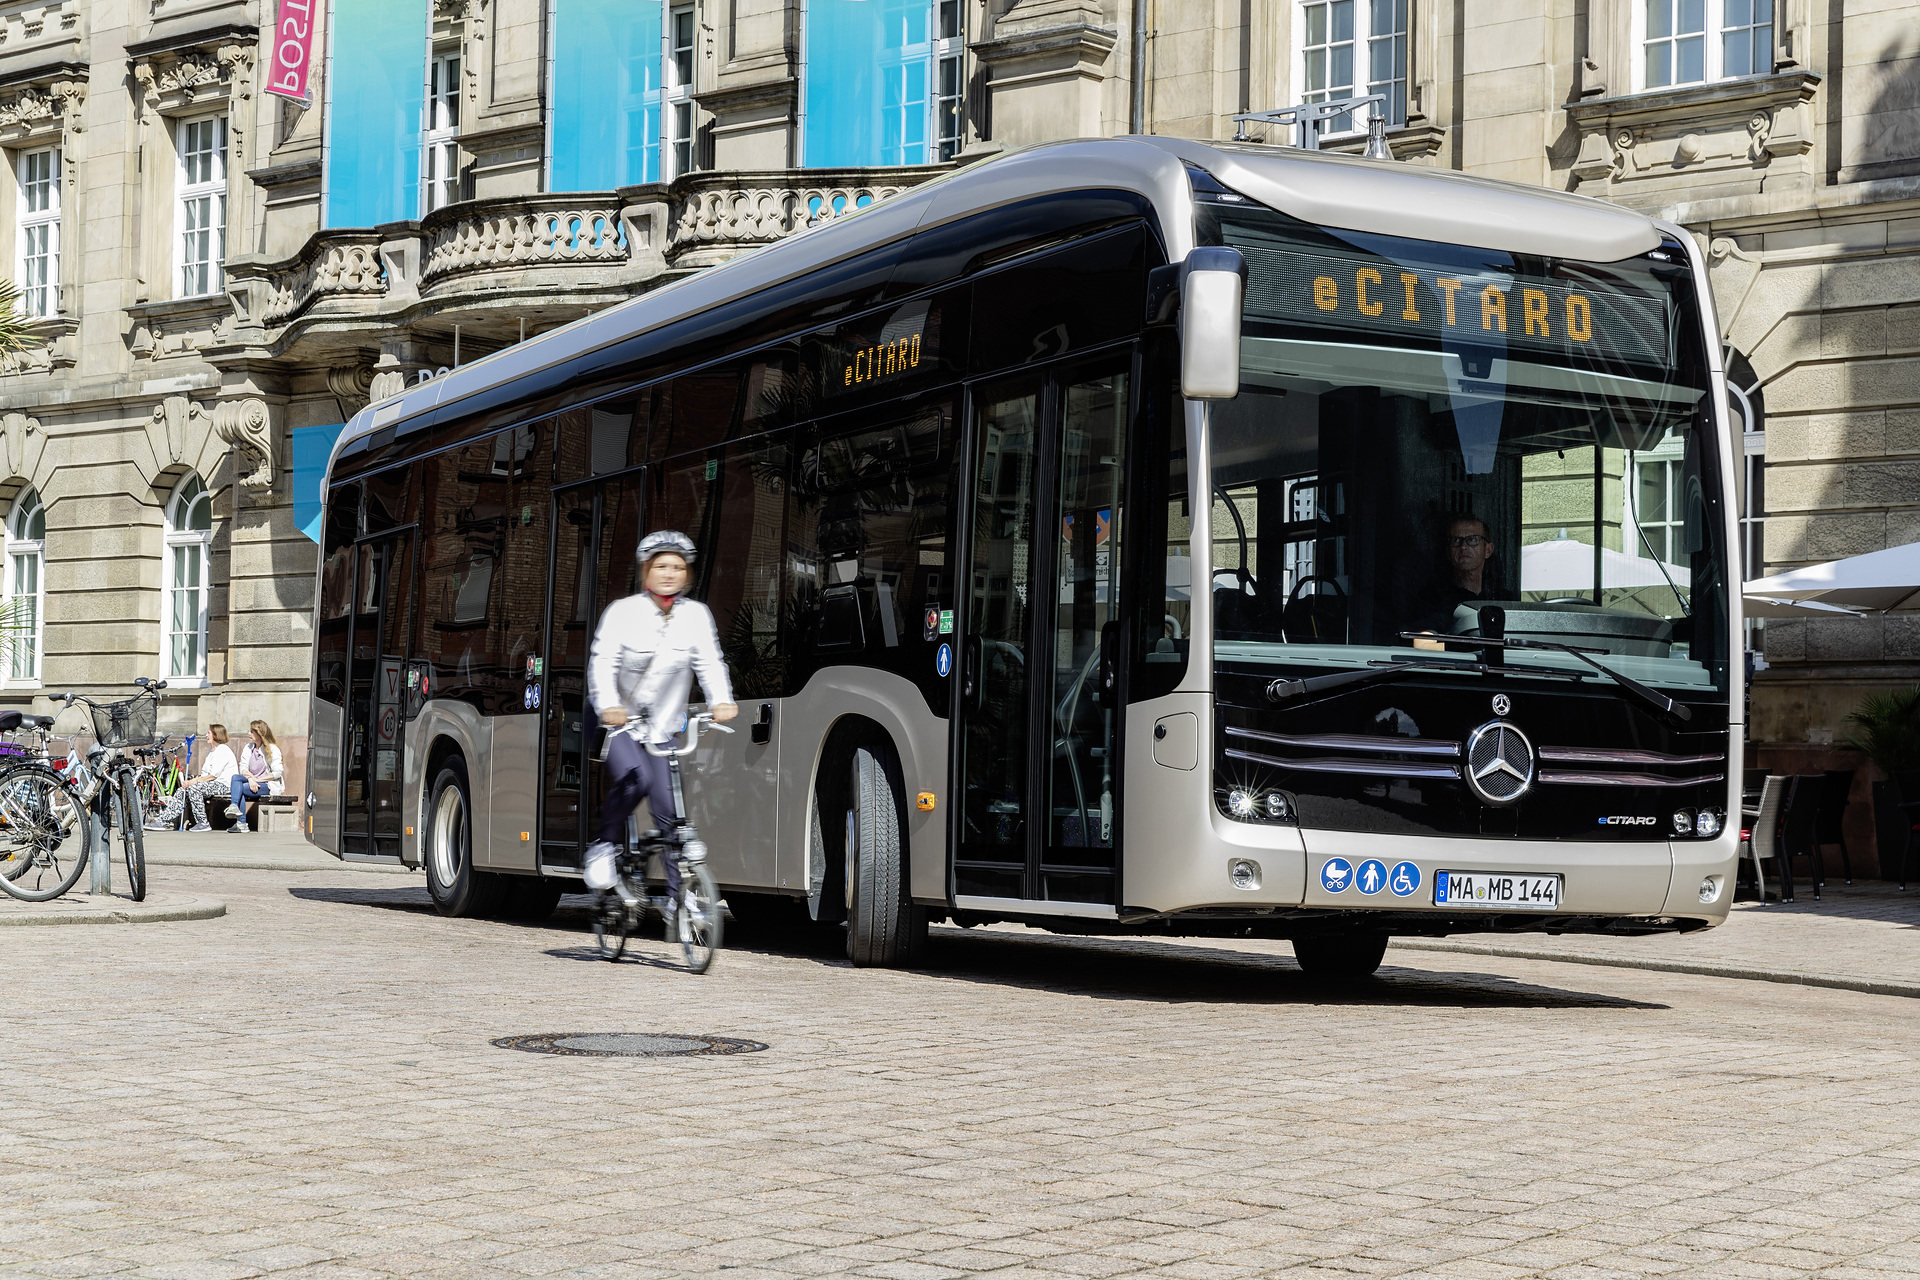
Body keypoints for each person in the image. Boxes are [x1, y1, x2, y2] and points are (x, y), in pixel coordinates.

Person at [583, 530, 737, 904]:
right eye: (662, 566)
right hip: (614, 723)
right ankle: (603, 847)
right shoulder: (623, 612)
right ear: (646, 571)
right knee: (635, 779)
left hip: (661, 728)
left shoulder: (696, 616)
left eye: (678, 567)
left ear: (687, 574)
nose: (670, 573)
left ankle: (676, 898)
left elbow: (711, 664)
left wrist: (722, 700)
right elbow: (602, 664)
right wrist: (609, 705)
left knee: (671, 812)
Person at [1410, 513, 1500, 640]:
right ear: (1448, 551)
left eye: (1473, 539)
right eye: (1456, 541)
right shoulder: (1431, 599)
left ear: (1488, 550)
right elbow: (1421, 642)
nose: (1463, 547)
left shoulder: (1501, 599)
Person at [146, 724, 237, 832]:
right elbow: (205, 774)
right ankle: (162, 821)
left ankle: (203, 822)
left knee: (194, 788)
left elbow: (213, 775)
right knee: (182, 790)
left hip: (223, 785)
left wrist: (193, 782)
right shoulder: (211, 751)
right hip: (210, 784)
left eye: (208, 733)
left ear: (216, 734)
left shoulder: (223, 750)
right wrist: (191, 781)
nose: (206, 735)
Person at [224, 720, 284, 834]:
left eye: (252, 732)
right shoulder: (249, 747)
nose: (248, 734)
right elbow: (243, 767)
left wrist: (257, 780)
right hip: (251, 781)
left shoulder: (272, 749)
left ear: (260, 733)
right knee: (236, 778)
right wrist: (251, 779)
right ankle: (234, 807)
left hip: (267, 785)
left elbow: (277, 772)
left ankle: (241, 823)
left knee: (240, 789)